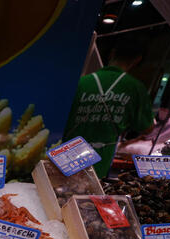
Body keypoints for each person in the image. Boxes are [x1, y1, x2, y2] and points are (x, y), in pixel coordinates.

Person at [64, 39, 154, 177]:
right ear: (137, 59)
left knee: (56, 190)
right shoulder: (136, 88)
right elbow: (146, 127)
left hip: (68, 153)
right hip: (101, 158)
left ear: (112, 54)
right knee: (88, 195)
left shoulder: (81, 82)